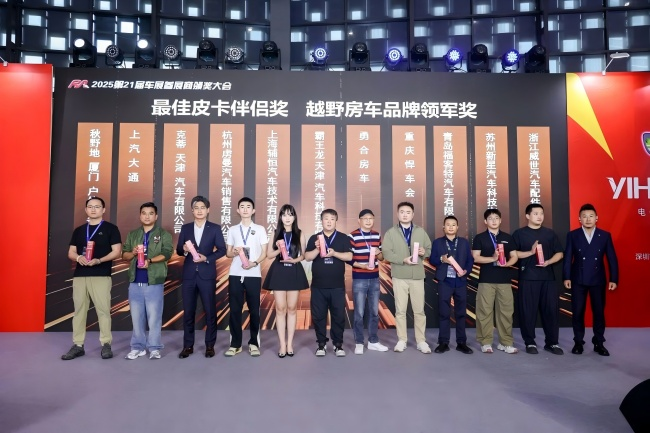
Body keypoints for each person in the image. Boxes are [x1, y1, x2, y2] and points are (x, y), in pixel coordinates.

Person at [62, 197, 122, 360]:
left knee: (103, 310)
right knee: (79, 311)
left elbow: (117, 251)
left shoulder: (111, 228)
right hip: (80, 275)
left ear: (103, 210)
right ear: (86, 210)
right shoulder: (79, 230)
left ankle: (106, 344)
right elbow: (71, 252)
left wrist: (99, 260)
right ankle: (78, 345)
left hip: (101, 274)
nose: (93, 209)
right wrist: (78, 258)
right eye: (90, 206)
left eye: (97, 206)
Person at [563, 203, 618, 356]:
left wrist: (614, 279)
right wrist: (566, 276)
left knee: (598, 312)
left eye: (591, 216)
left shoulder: (604, 235)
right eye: (584, 216)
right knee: (578, 312)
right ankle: (578, 342)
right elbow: (568, 258)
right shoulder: (573, 235)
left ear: (596, 218)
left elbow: (612, 258)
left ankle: (599, 342)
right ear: (579, 219)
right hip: (578, 279)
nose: (588, 219)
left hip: (598, 280)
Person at [176, 196, 226, 359]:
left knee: (210, 311)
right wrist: (184, 250)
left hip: (207, 274)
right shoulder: (186, 228)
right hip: (189, 275)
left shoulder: (215, 228)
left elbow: (222, 250)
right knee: (188, 312)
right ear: (192, 210)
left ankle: (210, 346)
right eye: (196, 207)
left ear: (208, 210)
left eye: (202, 207)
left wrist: (207, 258)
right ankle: (187, 346)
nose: (199, 210)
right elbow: (178, 250)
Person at [121, 202, 173, 360]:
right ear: (140, 216)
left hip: (154, 281)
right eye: (144, 213)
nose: (147, 216)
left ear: (156, 216)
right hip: (135, 281)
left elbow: (167, 253)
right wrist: (133, 252)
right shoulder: (133, 234)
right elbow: (124, 255)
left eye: (151, 213)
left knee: (154, 317)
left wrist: (150, 260)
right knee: (136, 317)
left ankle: (155, 348)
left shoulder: (163, 234)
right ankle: (138, 347)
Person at [512, 203, 564, 355]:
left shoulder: (550, 233)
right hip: (528, 278)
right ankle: (530, 342)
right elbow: (513, 254)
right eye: (535, 213)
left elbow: (559, 253)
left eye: (541, 213)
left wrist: (549, 261)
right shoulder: (519, 234)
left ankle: (552, 343)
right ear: (527, 216)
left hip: (548, 278)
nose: (539, 216)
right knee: (528, 311)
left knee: (551, 311)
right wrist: (530, 252)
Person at [382, 202, 432, 354]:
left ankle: (421, 341)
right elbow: (386, 253)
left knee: (419, 311)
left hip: (417, 276)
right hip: (399, 276)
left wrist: (424, 252)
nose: (405, 214)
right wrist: (403, 260)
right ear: (397, 214)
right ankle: (401, 340)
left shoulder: (420, 231)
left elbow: (429, 249)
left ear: (413, 214)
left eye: (408, 212)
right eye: (402, 212)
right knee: (400, 311)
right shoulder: (391, 233)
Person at [304, 209, 353, 357]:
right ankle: (321, 344)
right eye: (326, 218)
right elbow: (307, 257)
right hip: (318, 286)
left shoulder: (343, 237)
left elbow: (349, 256)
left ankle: (338, 345)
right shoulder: (315, 238)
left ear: (336, 221)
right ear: (321, 221)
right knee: (319, 316)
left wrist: (334, 253)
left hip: (337, 286)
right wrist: (318, 249)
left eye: (332, 218)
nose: (329, 221)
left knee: (338, 316)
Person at [263, 204, 309, 358]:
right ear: (280, 217)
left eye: (290, 214)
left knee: (292, 308)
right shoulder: (275, 232)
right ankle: (282, 344)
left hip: (294, 270)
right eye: (284, 215)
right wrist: (278, 248)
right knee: (280, 308)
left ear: (294, 217)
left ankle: (290, 344)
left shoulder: (299, 233)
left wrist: (294, 260)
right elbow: (269, 255)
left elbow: (304, 255)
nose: (287, 218)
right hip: (279, 271)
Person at [224, 197, 268, 357]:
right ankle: (235, 344)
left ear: (253, 210)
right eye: (242, 206)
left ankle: (254, 343)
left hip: (253, 274)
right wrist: (234, 252)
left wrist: (254, 263)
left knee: (254, 310)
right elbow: (228, 253)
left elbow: (264, 253)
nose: (245, 209)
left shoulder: (260, 229)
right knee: (235, 309)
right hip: (235, 273)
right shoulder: (233, 230)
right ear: (238, 210)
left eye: (248, 206)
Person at [471, 209, 519, 354]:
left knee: (506, 312)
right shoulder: (480, 237)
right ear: (485, 221)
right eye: (490, 218)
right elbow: (476, 257)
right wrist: (492, 258)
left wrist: (507, 264)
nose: (493, 221)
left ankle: (506, 343)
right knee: (484, 311)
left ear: (500, 220)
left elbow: (514, 256)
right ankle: (485, 342)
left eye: (496, 218)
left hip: (504, 280)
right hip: (486, 279)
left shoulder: (507, 237)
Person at [429, 215, 474, 354]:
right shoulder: (438, 242)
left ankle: (461, 342)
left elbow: (470, 260)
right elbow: (432, 259)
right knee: (444, 313)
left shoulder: (464, 242)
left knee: (461, 313)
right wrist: (441, 259)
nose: (450, 227)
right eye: (448, 224)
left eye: (453, 224)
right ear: (443, 227)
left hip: (460, 281)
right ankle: (443, 342)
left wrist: (466, 271)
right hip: (445, 281)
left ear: (457, 227)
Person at [349, 209, 388, 355]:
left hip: (374, 278)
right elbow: (349, 259)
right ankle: (359, 342)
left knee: (374, 312)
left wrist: (379, 253)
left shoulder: (377, 235)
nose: (368, 221)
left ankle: (373, 341)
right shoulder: (352, 236)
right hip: (359, 278)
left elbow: (382, 258)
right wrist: (362, 266)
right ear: (359, 220)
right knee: (359, 312)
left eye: (371, 218)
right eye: (365, 218)